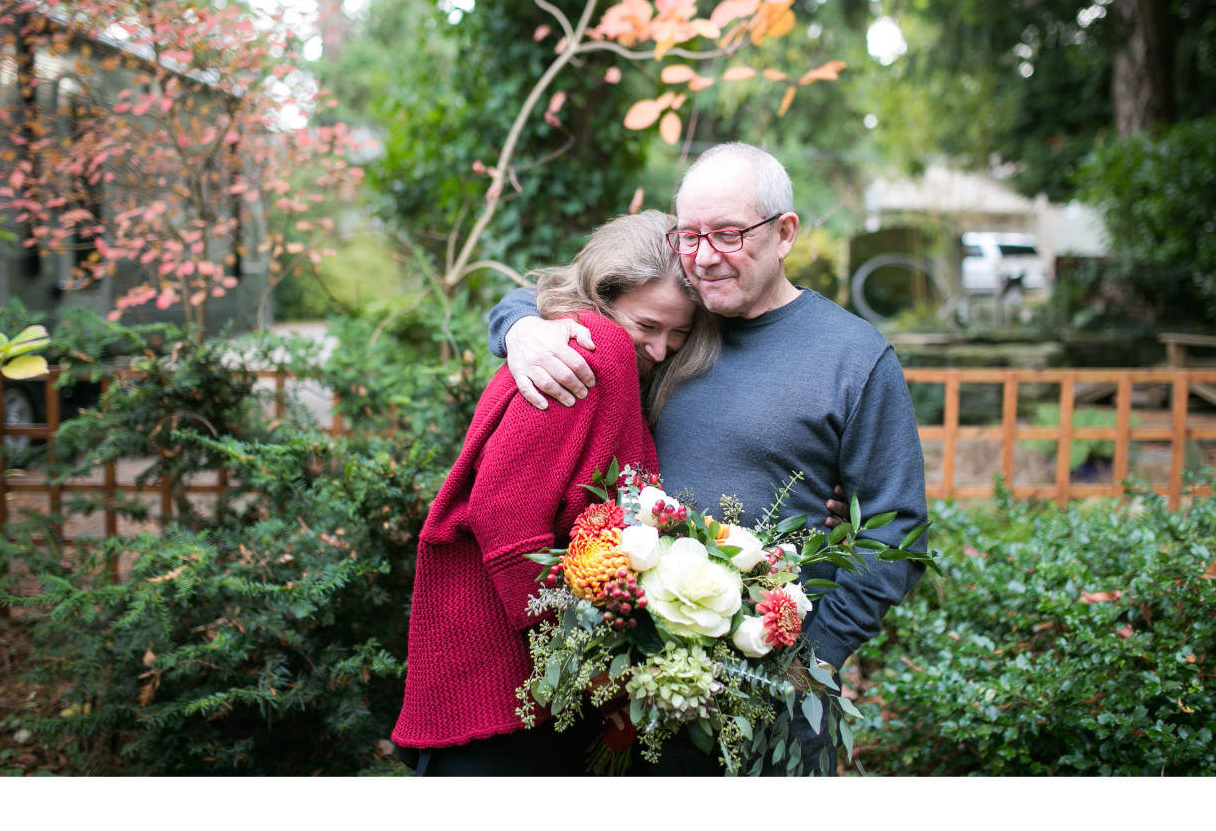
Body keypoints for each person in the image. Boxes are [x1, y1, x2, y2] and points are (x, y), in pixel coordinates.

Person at [487, 142, 928, 775]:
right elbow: (573, 290)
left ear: (784, 233)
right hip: (627, 692)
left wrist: (807, 661)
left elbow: (897, 527)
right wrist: (520, 327)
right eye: (690, 235)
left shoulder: (852, 357)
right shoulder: (674, 320)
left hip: (767, 698)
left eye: (728, 234)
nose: (704, 255)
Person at [391, 210, 718, 776]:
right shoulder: (596, 351)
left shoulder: (596, 346)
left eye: (680, 333)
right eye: (650, 326)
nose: (662, 350)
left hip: (519, 674)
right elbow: (502, 507)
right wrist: (573, 644)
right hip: (506, 670)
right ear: (604, 296)